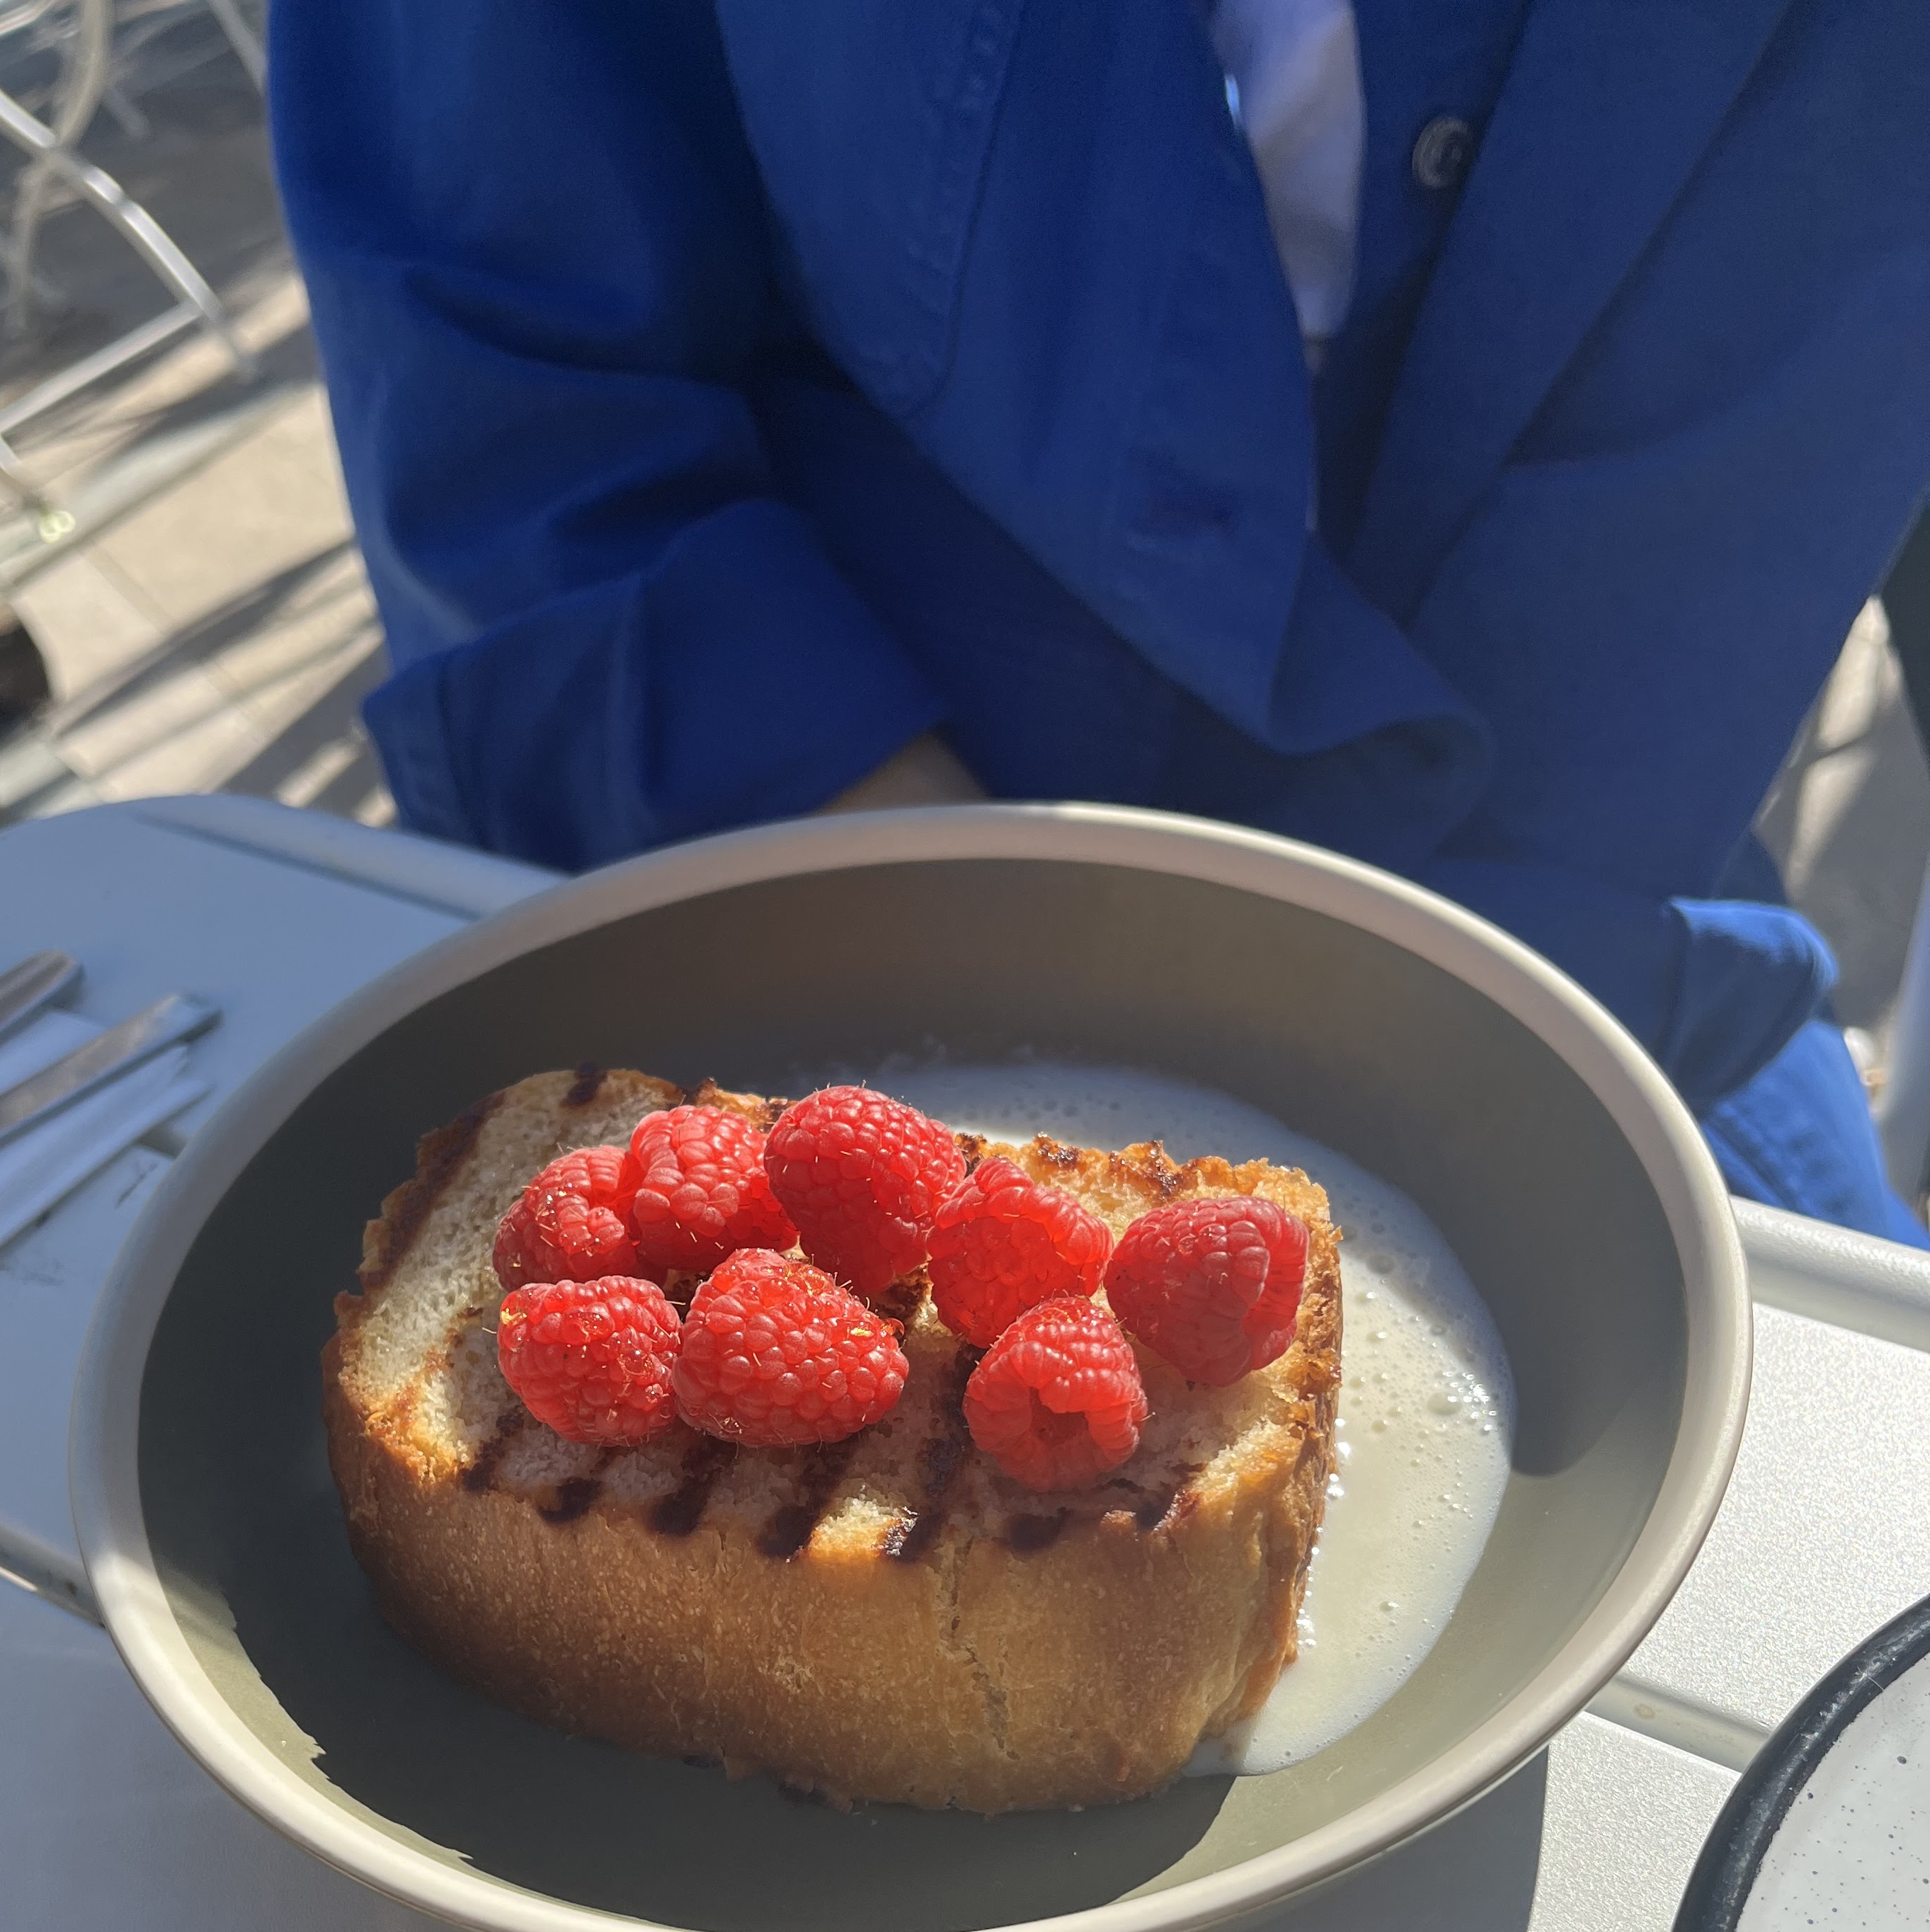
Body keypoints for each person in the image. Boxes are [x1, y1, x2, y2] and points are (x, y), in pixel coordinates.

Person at [271, 0, 1930, 1245]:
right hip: (776, 800)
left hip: (1537, 908)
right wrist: (942, 927)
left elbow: (1668, 617)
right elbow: (499, 350)